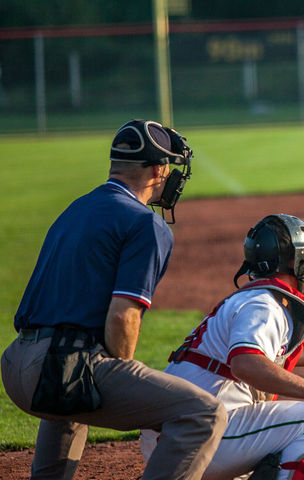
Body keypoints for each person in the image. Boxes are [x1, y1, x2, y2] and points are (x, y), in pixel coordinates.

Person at [1, 119, 227, 480]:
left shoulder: (76, 208)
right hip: (54, 371)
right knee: (204, 413)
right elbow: (123, 317)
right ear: (158, 169)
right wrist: (121, 373)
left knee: (73, 396)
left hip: (15, 365)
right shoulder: (146, 224)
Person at [140, 213, 304, 480]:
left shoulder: (254, 299)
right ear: (292, 261)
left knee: (275, 446)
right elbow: (247, 363)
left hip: (176, 435)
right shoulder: (264, 305)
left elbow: (277, 356)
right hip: (199, 436)